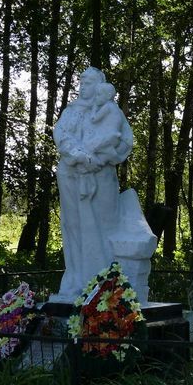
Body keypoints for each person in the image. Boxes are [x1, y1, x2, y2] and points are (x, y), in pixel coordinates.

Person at [52, 67, 134, 301]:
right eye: (81, 81)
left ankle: (105, 284)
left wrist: (99, 159)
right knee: (75, 226)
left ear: (100, 86)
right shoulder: (72, 111)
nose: (83, 86)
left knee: (103, 227)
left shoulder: (111, 111)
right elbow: (61, 134)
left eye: (88, 82)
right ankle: (77, 280)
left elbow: (124, 142)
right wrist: (77, 154)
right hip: (72, 174)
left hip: (100, 175)